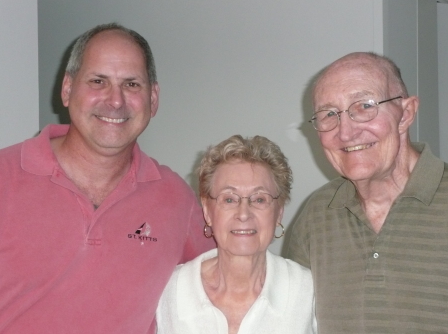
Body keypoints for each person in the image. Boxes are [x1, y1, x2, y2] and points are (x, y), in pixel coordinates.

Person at [0, 23, 214, 333]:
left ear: (153, 98)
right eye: (98, 81)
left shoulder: (175, 197)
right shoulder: (3, 178)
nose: (115, 100)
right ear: (68, 89)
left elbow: (229, 278)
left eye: (132, 84)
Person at [287, 52, 448, 333]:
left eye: (364, 106)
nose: (346, 132)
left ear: (406, 114)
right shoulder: (316, 214)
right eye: (329, 114)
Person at [156, 135, 317, 334]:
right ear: (207, 211)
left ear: (279, 212)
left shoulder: (308, 291)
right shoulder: (168, 290)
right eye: (229, 200)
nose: (243, 214)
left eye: (259, 199)